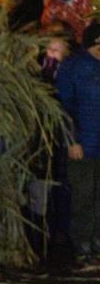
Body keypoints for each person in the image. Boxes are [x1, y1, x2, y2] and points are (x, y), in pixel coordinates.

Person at [56, 24, 100, 264]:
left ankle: (96, 241)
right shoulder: (73, 67)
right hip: (83, 144)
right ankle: (82, 243)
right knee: (83, 195)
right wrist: (72, 140)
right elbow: (63, 108)